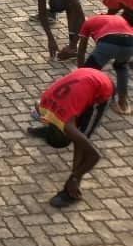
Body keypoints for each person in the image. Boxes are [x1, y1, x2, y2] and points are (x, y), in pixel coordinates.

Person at [26, 68, 113, 208]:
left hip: (101, 89)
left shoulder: (63, 123)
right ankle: (55, 130)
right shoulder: (40, 106)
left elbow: (94, 156)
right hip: (86, 75)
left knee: (83, 139)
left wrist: (74, 177)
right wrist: (50, 119)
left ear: (67, 135)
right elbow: (46, 107)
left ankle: (72, 191)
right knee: (72, 127)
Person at [75, 10, 133, 114]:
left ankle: (82, 99)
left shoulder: (89, 22)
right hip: (129, 43)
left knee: (89, 72)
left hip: (108, 43)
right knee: (121, 67)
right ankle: (122, 103)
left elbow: (81, 50)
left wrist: (80, 72)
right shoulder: (119, 19)